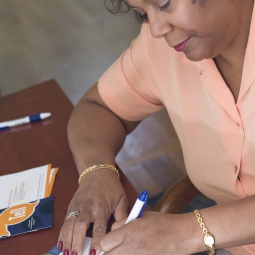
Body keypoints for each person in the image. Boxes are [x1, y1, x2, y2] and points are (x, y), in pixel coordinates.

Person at [57, 0, 255, 254]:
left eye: (164, 3)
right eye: (143, 15)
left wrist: (186, 232)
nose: (156, 29)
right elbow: (98, 107)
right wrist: (97, 171)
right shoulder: (162, 49)